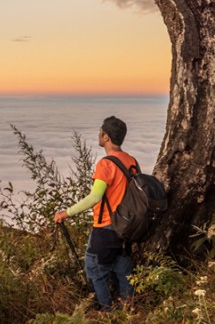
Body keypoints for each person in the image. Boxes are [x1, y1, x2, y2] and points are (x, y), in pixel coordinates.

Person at [54, 116, 136, 310]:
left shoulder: (106, 164)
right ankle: (127, 311)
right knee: (124, 271)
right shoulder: (131, 161)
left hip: (106, 227)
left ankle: (106, 313)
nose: (99, 134)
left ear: (106, 137)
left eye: (101, 131)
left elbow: (95, 197)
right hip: (126, 227)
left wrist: (66, 213)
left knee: (95, 270)